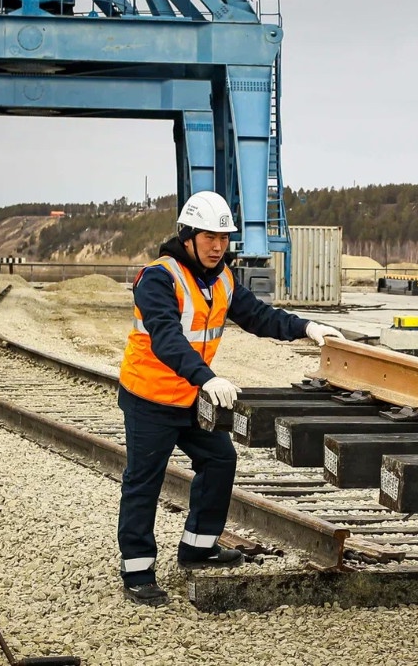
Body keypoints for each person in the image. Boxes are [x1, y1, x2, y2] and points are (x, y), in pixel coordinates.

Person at [117, 191, 343, 606]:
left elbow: (259, 316)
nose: (218, 246)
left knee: (220, 460)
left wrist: (306, 327)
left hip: (192, 397)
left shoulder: (222, 277)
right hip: (150, 397)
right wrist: (207, 376)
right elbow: (166, 337)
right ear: (187, 236)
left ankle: (198, 548)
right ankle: (137, 570)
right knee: (143, 481)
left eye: (224, 238)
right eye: (209, 237)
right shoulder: (157, 278)